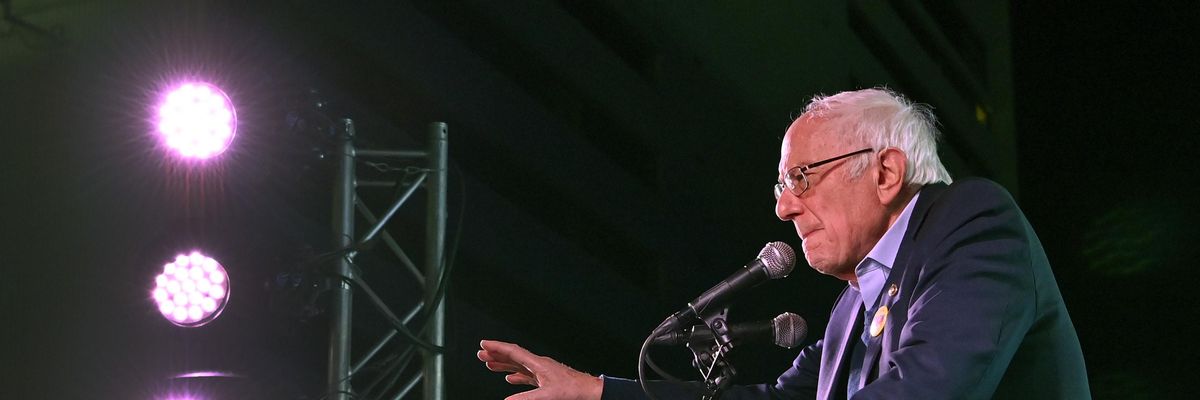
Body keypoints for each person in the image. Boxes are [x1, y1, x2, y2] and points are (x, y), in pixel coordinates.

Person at [478, 88, 1090, 399]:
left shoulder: (972, 221)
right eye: (780, 183)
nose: (782, 205)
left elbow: (926, 390)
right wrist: (596, 391)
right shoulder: (854, 302)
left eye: (800, 177)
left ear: (885, 173)